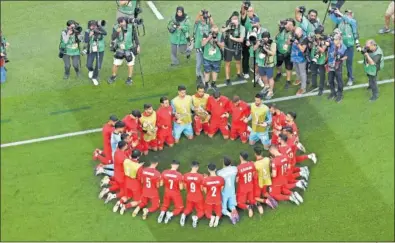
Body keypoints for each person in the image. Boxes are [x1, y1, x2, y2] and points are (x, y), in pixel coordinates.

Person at [330, 9, 361, 86]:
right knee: (337, 62)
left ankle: (350, 78)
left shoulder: (353, 22)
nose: (348, 15)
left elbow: (347, 20)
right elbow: (333, 18)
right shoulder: (340, 21)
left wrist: (340, 13)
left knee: (349, 63)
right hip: (340, 46)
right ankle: (336, 78)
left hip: (349, 46)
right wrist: (331, 12)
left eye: (349, 14)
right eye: (346, 13)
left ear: (352, 15)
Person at [108, 17, 140, 85]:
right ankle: (113, 76)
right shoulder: (116, 27)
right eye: (122, 22)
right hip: (120, 49)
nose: (124, 23)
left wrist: (138, 46)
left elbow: (135, 37)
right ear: (120, 23)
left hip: (129, 48)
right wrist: (117, 32)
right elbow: (113, 37)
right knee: (116, 64)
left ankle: (129, 78)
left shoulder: (131, 26)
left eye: (124, 21)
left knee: (130, 65)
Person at [112, 149, 143, 213]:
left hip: (127, 182)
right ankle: (125, 206)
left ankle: (119, 202)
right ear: (138, 157)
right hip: (135, 184)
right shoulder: (139, 167)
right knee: (139, 201)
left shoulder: (126, 161)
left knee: (127, 196)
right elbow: (140, 178)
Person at [222, 11, 246, 86]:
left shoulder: (241, 28)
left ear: (238, 20)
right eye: (233, 19)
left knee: (238, 61)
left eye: (236, 19)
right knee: (227, 64)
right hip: (228, 48)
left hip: (237, 48)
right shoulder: (228, 25)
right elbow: (221, 30)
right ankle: (227, 79)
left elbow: (241, 40)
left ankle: (238, 74)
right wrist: (228, 27)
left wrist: (232, 38)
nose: (234, 21)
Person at [158, 160, 184, 224]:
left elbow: (161, 184)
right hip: (175, 193)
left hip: (167, 191)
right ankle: (170, 214)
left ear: (171, 165)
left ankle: (161, 214)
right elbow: (181, 188)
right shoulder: (179, 175)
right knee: (179, 207)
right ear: (177, 166)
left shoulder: (164, 172)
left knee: (165, 205)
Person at [180, 161, 205, 228]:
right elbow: (202, 189)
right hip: (198, 197)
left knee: (188, 208)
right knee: (201, 211)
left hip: (189, 196)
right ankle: (195, 218)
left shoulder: (185, 175)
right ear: (197, 167)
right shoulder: (200, 176)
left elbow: (184, 187)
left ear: (191, 166)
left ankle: (183, 215)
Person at [253, 31, 277, 99]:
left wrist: (265, 49)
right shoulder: (260, 41)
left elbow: (273, 53)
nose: (264, 39)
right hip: (261, 63)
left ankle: (271, 91)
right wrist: (258, 44)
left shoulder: (272, 43)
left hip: (269, 64)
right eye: (263, 38)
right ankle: (266, 86)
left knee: (270, 78)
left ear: (268, 37)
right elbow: (254, 49)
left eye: (266, 38)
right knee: (263, 76)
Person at [253, 146, 278, 211]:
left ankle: (266, 201)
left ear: (255, 154)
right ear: (262, 152)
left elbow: (254, 174)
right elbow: (270, 166)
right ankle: (271, 198)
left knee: (254, 197)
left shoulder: (255, 164)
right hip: (266, 181)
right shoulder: (267, 159)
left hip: (260, 183)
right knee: (264, 193)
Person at [193, 9, 214, 83]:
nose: (203, 17)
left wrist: (210, 16)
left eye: (204, 16)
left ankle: (206, 76)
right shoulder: (197, 24)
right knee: (198, 63)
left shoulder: (208, 24)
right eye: (203, 16)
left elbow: (213, 24)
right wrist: (199, 14)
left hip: (206, 47)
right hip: (198, 46)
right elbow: (196, 20)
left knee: (206, 63)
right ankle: (198, 75)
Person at [201, 25, 224, 91]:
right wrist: (209, 38)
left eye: (216, 32)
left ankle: (213, 83)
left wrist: (217, 41)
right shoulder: (206, 34)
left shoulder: (220, 35)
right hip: (207, 57)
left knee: (215, 71)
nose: (215, 33)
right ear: (210, 31)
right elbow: (202, 44)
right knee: (207, 72)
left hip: (216, 58)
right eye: (213, 32)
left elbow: (222, 46)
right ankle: (206, 84)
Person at [84, 20, 107, 86]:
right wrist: (90, 35)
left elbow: (105, 33)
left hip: (100, 50)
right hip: (92, 50)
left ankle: (94, 77)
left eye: (94, 25)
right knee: (88, 64)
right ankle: (91, 70)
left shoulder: (99, 29)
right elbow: (86, 40)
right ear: (89, 26)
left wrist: (98, 30)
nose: (93, 27)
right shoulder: (87, 31)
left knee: (98, 65)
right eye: (92, 26)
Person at [217, 156, 239, 224]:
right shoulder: (235, 169)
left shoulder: (220, 172)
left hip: (224, 193)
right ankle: (235, 213)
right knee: (232, 205)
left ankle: (231, 216)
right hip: (232, 191)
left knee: (223, 209)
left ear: (223, 163)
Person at [274, 18, 295, 89]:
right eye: (287, 24)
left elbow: (290, 42)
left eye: (290, 24)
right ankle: (279, 73)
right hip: (279, 50)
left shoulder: (293, 32)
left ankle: (288, 80)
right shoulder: (282, 30)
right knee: (278, 64)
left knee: (288, 67)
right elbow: (276, 36)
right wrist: (282, 24)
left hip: (288, 52)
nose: (288, 26)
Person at [327, 33, 347, 103]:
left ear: (339, 40)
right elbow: (327, 46)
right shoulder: (332, 44)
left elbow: (346, 56)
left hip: (338, 66)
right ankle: (333, 93)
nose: (334, 41)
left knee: (339, 80)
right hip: (330, 65)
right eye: (334, 39)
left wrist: (340, 59)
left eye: (335, 40)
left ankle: (340, 94)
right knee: (330, 80)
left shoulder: (343, 47)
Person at [203, 163, 225, 228]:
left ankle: (212, 217)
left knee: (207, 213)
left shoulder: (205, 180)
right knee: (219, 212)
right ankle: (217, 218)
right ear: (215, 169)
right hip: (217, 199)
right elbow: (221, 189)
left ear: (208, 170)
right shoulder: (221, 179)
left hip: (209, 199)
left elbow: (205, 191)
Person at [241, 5, 260, 79]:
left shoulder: (256, 17)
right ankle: (245, 71)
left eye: (251, 11)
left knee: (254, 54)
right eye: (248, 11)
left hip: (254, 38)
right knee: (246, 56)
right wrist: (243, 6)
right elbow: (242, 18)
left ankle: (253, 67)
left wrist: (257, 25)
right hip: (245, 40)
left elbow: (258, 27)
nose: (250, 12)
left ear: (253, 11)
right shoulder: (244, 18)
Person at [309, 26, 329, 95]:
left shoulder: (325, 39)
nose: (316, 35)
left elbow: (323, 50)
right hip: (314, 58)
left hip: (321, 60)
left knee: (321, 74)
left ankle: (321, 88)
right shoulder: (314, 38)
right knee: (313, 72)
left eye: (317, 34)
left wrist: (317, 45)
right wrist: (311, 43)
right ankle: (314, 85)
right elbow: (311, 47)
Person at [236, 151, 257, 217]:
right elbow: (253, 174)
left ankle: (248, 207)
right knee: (251, 200)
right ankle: (258, 204)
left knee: (239, 203)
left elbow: (237, 180)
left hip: (242, 189)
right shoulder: (251, 164)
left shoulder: (238, 168)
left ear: (241, 157)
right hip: (250, 186)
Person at [245, 16, 265, 87]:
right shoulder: (250, 30)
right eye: (252, 23)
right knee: (253, 66)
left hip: (260, 52)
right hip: (252, 52)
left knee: (259, 65)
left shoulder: (264, 31)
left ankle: (259, 78)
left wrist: (258, 43)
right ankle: (257, 76)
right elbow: (247, 43)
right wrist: (249, 43)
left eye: (254, 23)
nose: (253, 24)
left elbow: (266, 41)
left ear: (258, 22)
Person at [291, 27, 309, 95]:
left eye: (297, 34)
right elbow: (289, 43)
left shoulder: (305, 38)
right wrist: (290, 40)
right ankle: (299, 80)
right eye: (295, 33)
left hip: (301, 58)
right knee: (297, 70)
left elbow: (302, 50)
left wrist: (297, 43)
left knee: (302, 73)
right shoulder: (295, 36)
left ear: (301, 32)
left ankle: (303, 88)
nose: (296, 35)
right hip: (294, 57)